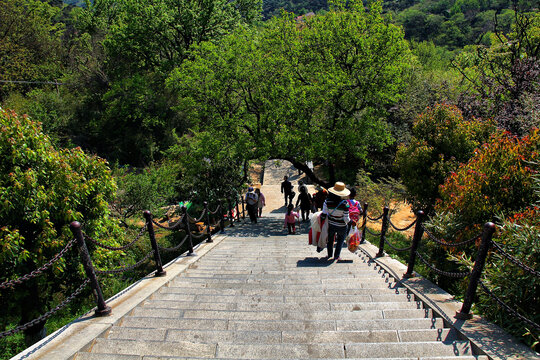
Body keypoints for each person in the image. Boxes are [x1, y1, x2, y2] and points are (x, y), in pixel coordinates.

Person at [322, 182, 350, 261]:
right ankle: (337, 256)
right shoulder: (345, 204)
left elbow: (324, 213)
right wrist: (351, 222)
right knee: (340, 240)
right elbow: (346, 218)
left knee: (330, 240)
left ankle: (329, 254)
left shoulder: (327, 202)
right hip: (342, 226)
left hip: (331, 224)